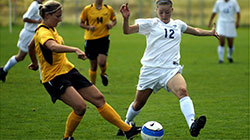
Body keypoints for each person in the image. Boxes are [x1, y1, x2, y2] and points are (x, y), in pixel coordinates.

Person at [27, 1, 140, 140]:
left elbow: (30, 46)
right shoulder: (43, 31)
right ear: (48, 15)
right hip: (54, 77)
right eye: (58, 16)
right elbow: (53, 47)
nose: (60, 19)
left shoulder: (49, 28)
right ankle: (67, 137)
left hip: (68, 70)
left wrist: (34, 63)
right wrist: (74, 49)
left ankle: (127, 130)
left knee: (99, 98)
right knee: (80, 107)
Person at [118, 0, 220, 137]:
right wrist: (126, 19)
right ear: (156, 11)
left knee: (183, 91)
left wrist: (210, 33)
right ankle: (126, 124)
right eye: (161, 12)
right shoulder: (151, 24)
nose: (164, 15)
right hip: (150, 70)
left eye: (167, 12)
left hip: (170, 70)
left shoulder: (178, 24)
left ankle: (192, 125)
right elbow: (127, 31)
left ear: (172, 10)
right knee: (138, 103)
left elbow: (195, 30)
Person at [0, 0, 44, 82]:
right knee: (21, 56)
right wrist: (38, 22)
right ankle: (3, 70)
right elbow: (25, 18)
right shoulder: (34, 6)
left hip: (36, 34)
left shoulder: (41, 5)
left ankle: (43, 79)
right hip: (28, 34)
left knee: (41, 55)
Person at [79, 0, 117, 86]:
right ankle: (93, 85)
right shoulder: (87, 9)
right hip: (91, 40)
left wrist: (111, 25)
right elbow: (81, 23)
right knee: (93, 66)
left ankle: (103, 74)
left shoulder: (108, 9)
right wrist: (88, 27)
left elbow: (114, 20)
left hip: (103, 38)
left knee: (102, 62)